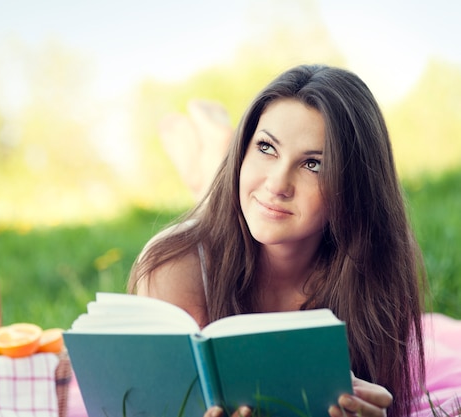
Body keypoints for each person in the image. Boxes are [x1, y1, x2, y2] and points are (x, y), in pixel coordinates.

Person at [127, 64, 426, 417]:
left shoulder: (376, 267)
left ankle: (217, 154)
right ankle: (213, 157)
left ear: (354, 187)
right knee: (223, 200)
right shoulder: (173, 268)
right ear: (243, 151)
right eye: (266, 147)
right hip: (216, 231)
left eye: (313, 165)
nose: (278, 183)